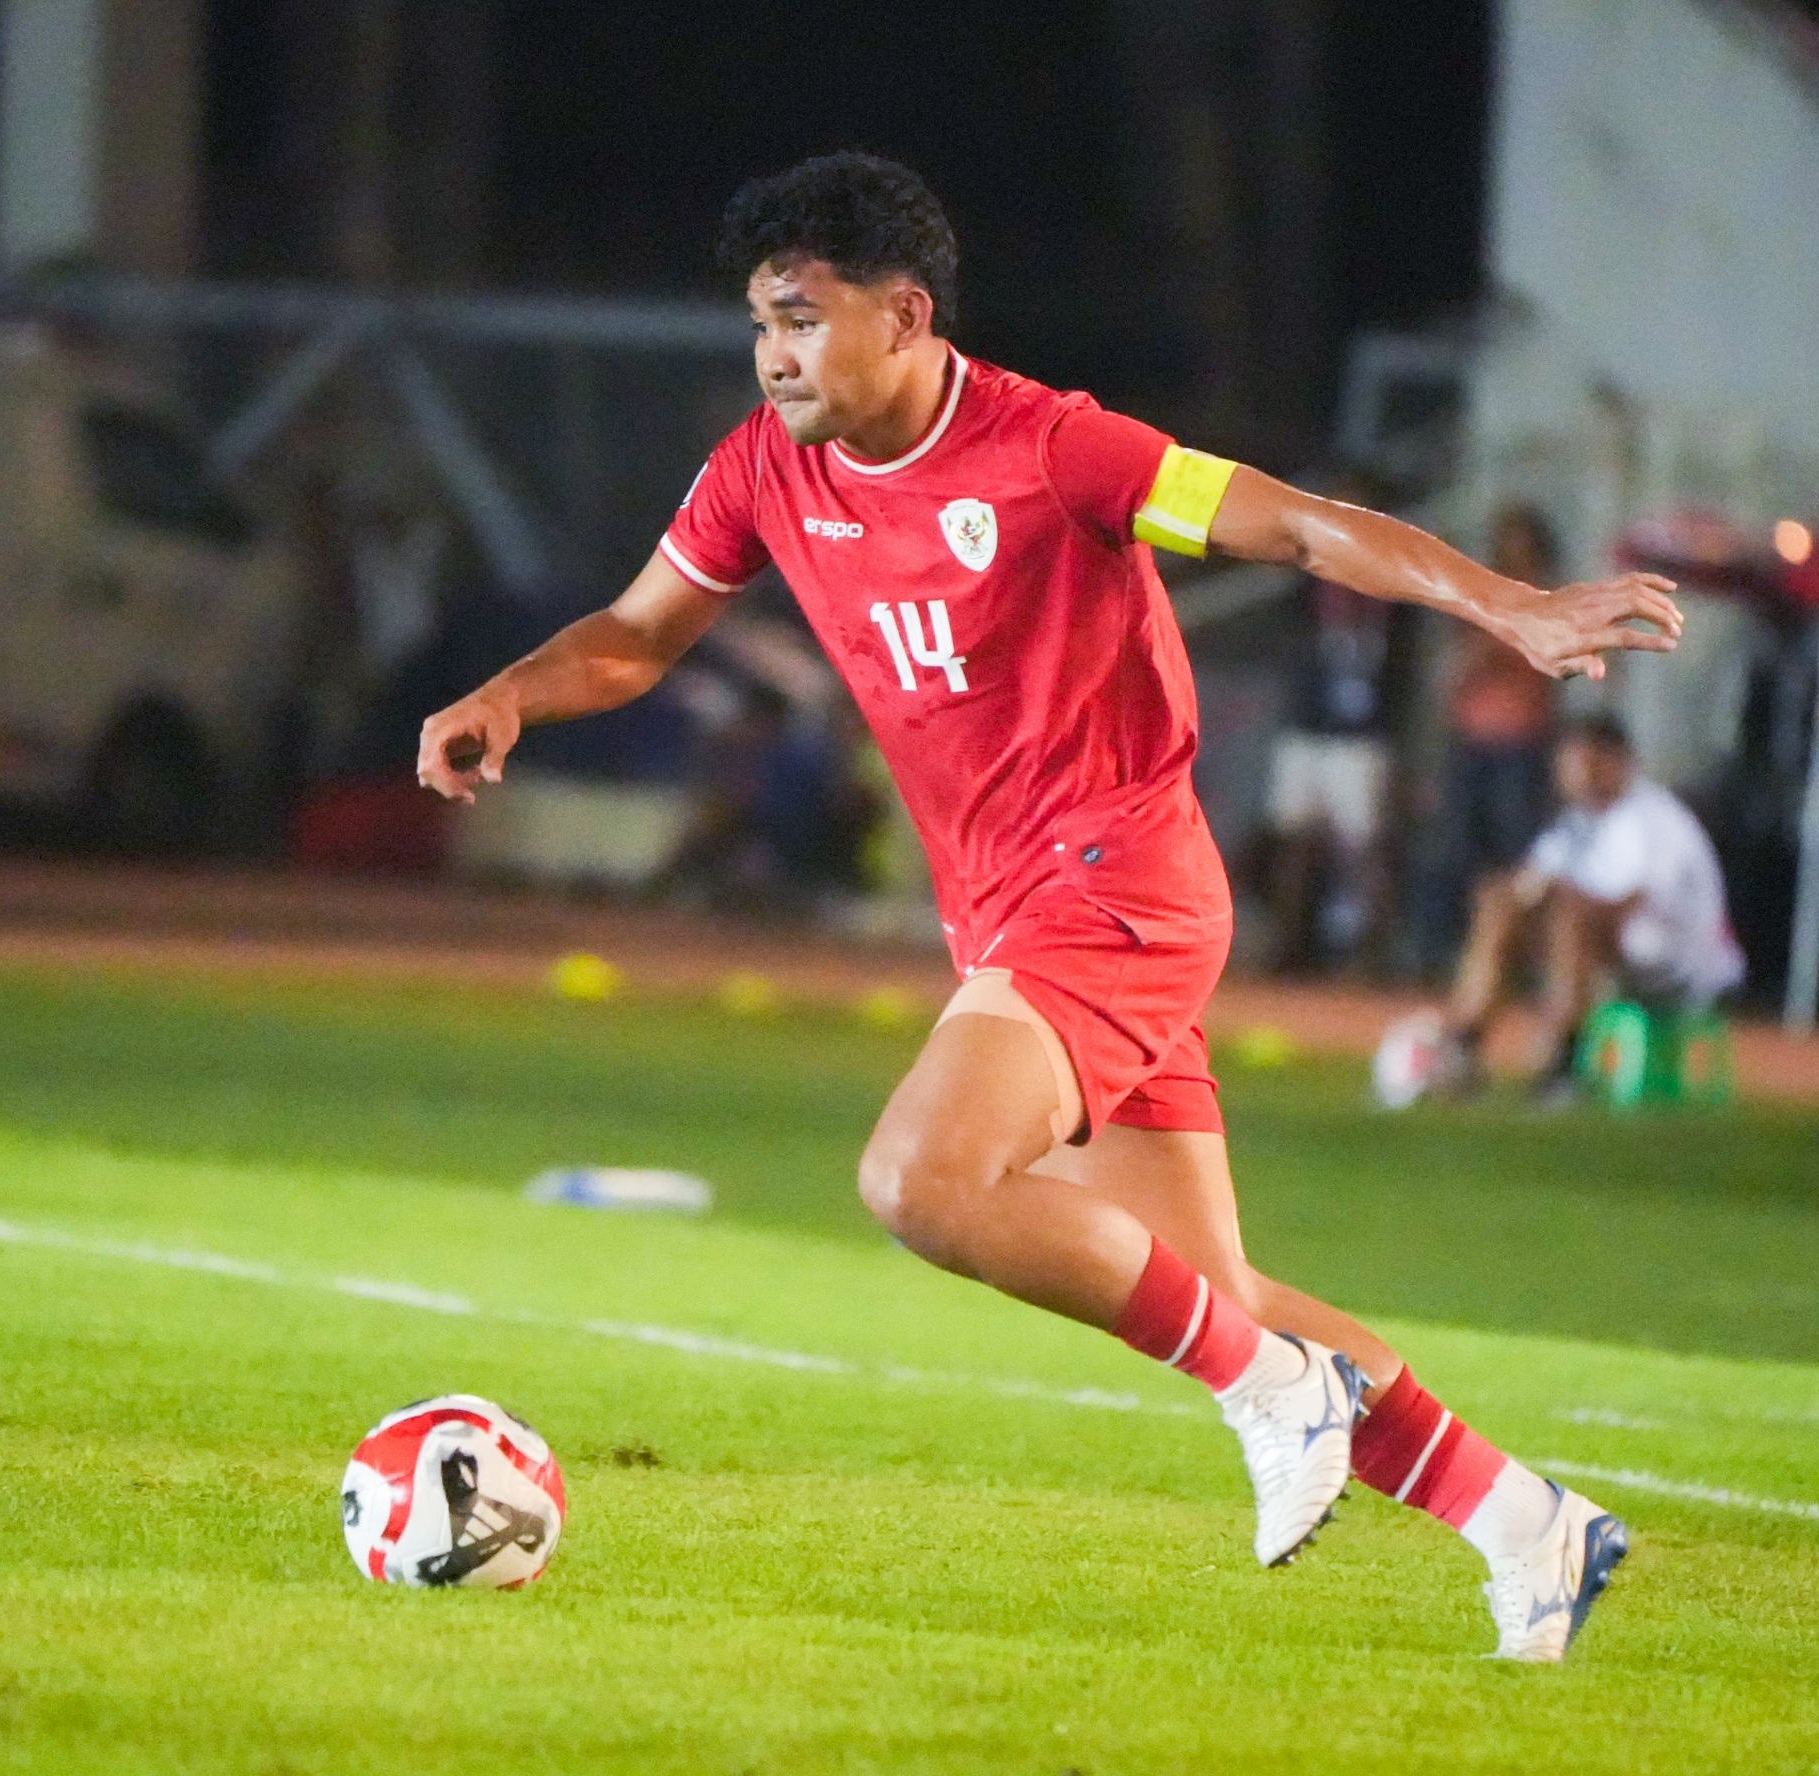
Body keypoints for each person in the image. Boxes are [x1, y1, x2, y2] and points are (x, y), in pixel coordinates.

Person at [418, 154, 1683, 1661]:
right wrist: (510, 694)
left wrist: (1513, 607)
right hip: (1016, 915)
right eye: (761, 322)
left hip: (1117, 884)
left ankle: (1273, 1391)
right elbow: (634, 636)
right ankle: (1528, 1527)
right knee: (1220, 1289)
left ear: (906, 313)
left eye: (804, 319)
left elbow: (1299, 525)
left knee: (920, 1180)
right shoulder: (764, 467)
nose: (774, 354)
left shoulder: (1054, 448)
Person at [1440, 715, 1742, 1100]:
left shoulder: (1654, 818)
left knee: (1571, 915)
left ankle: (1564, 1064)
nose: (1577, 775)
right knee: (1501, 907)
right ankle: (1461, 1046)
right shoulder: (1573, 825)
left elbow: (1632, 906)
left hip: (1681, 966)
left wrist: (1555, 905)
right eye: (1569, 763)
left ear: (1618, 762)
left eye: (1588, 762)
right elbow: (1526, 890)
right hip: (1608, 960)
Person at [1259, 472, 1419, 973]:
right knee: (1294, 839)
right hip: (1310, 727)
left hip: (1364, 734)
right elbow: (1290, 646)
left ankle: (1376, 955)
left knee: (1366, 847)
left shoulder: (1391, 581)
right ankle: (1287, 946)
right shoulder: (1305, 579)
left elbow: (1405, 665)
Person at [1418, 503, 1560, 974]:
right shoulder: (1475, 597)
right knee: (1458, 854)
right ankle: (1449, 957)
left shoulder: (1549, 602)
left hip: (1522, 746)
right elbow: (1452, 674)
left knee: (1517, 862)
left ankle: (1511, 963)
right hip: (1474, 744)